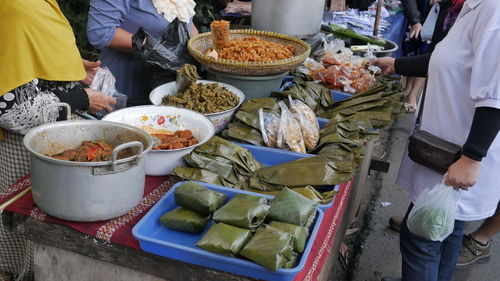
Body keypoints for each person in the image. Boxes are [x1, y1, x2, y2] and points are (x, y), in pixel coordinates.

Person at [372, 0, 500, 280]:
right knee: (445, 231)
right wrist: (398, 64)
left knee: (421, 237)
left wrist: (472, 157)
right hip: (445, 151)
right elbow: (447, 58)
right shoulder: (471, 7)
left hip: (460, 155)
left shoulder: (494, 11)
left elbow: (495, 95)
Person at [0, 0, 116, 279]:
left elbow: (28, 61)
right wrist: (80, 98)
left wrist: (72, 70)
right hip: (28, 151)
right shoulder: (18, 9)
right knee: (30, 238)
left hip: (52, 138)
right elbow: (11, 109)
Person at [87, 0, 198, 106]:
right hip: (124, 90)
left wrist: (197, 46)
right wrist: (157, 49)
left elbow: (185, 18)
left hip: (171, 89)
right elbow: (100, 32)